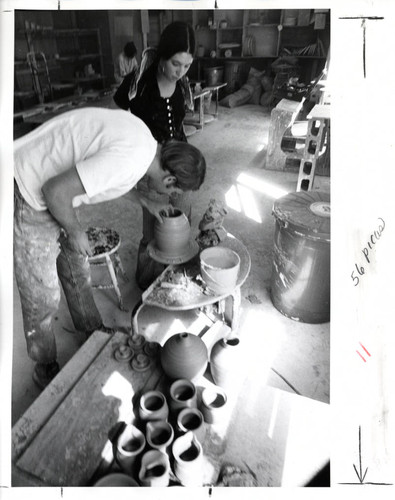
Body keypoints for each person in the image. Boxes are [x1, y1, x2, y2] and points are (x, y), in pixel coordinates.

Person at [14, 106, 206, 389]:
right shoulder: (129, 160)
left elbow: (106, 176)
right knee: (41, 292)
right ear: (169, 180)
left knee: (76, 265)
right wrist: (75, 230)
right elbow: (55, 192)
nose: (171, 196)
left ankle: (90, 329)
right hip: (28, 186)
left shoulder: (145, 144)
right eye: (174, 191)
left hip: (52, 181)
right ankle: (45, 364)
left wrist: (146, 201)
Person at [128, 21, 196, 289]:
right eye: (176, 64)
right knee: (154, 228)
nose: (181, 72)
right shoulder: (142, 87)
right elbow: (128, 125)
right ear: (163, 57)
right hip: (152, 166)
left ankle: (179, 275)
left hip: (180, 160)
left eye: (187, 66)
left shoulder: (182, 84)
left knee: (182, 220)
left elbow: (179, 122)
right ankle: (148, 281)